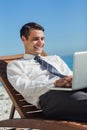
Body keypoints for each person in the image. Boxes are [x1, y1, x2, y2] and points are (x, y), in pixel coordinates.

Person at [7, 22, 87, 121]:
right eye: (35, 39)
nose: (41, 43)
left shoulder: (55, 59)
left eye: (42, 39)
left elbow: (71, 76)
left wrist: (76, 80)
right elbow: (25, 87)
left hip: (73, 91)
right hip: (50, 98)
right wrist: (54, 83)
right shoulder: (15, 66)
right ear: (24, 39)